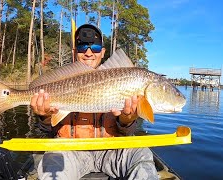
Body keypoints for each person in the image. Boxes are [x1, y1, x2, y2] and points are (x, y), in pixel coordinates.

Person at [30, 24, 158, 180]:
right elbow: (47, 131)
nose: (89, 52)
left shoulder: (127, 78)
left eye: (95, 47)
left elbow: (126, 132)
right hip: (69, 150)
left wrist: (127, 120)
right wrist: (44, 117)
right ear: (75, 52)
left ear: (103, 52)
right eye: (83, 47)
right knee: (53, 164)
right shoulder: (61, 80)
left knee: (141, 154)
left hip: (111, 150)